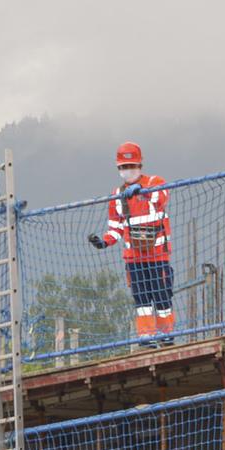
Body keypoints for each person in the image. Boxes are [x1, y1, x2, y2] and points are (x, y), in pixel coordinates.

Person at [87, 141, 175, 339]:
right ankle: (146, 337)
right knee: (142, 301)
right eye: (124, 167)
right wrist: (104, 242)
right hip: (134, 259)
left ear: (139, 165)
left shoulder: (155, 182)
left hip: (157, 257)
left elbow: (161, 197)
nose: (128, 170)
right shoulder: (118, 195)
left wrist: (141, 190)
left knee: (162, 297)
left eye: (131, 166)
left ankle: (167, 336)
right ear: (118, 168)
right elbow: (116, 228)